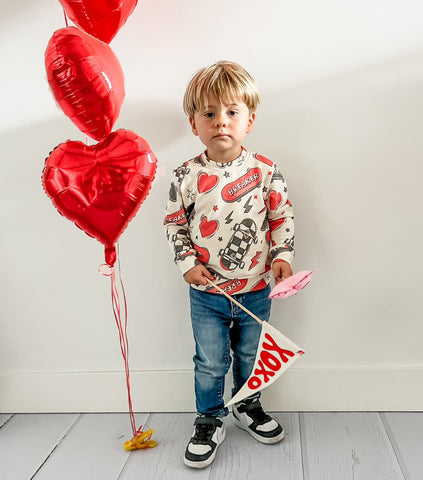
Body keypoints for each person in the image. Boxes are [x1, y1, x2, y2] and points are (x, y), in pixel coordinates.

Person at [164, 61, 295, 469]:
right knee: (210, 359)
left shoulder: (265, 171)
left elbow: (282, 217)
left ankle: (247, 405)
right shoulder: (186, 175)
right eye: (209, 114)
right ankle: (209, 418)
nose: (221, 122)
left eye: (232, 112)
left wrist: (283, 256)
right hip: (207, 293)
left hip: (255, 289)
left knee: (251, 354)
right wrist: (187, 264)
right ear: (194, 124)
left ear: (249, 120)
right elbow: (174, 224)